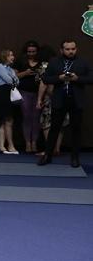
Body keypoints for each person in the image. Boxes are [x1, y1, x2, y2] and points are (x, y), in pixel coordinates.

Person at [39, 40, 90, 168]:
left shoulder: (83, 62)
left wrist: (78, 78)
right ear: (62, 50)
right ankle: (47, 156)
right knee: (54, 129)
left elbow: (91, 77)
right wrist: (59, 78)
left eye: (73, 49)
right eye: (67, 49)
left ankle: (75, 158)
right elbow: (45, 78)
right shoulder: (54, 62)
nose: (71, 51)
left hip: (76, 100)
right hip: (59, 99)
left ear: (76, 49)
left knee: (76, 130)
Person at [15, 40, 46, 153]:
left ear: (37, 51)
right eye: (29, 51)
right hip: (24, 92)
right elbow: (14, 76)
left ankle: (34, 143)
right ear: (26, 51)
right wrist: (26, 73)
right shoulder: (20, 61)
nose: (31, 53)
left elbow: (46, 76)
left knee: (36, 118)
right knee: (27, 117)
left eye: (33, 51)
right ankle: (28, 143)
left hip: (39, 93)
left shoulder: (42, 62)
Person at [0, 50, 20, 154]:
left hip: (9, 93)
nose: (13, 57)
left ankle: (0, 145)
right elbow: (10, 80)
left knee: (6, 120)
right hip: (2, 94)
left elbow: (17, 82)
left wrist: (13, 78)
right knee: (6, 120)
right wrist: (13, 77)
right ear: (5, 57)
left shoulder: (10, 69)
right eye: (10, 55)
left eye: (13, 55)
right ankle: (10, 146)